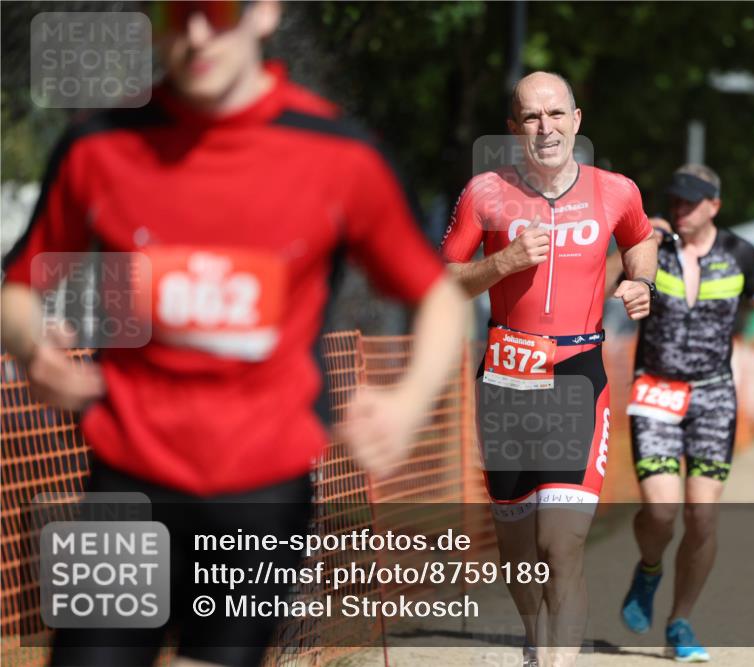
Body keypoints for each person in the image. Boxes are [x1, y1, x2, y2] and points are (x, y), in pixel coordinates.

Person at [0, 2, 466, 666]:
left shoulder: (340, 155)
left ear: (264, 13)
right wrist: (32, 347)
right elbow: (19, 288)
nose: (196, 34)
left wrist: (408, 402)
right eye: (176, 12)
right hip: (126, 479)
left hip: (261, 491)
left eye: (217, 10)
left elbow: (439, 297)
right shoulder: (99, 146)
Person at [440, 71, 657, 667]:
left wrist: (642, 282)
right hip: (505, 382)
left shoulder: (615, 191)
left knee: (559, 547)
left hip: (575, 377)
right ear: (513, 129)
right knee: (518, 555)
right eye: (532, 117)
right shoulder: (485, 193)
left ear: (576, 120)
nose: (546, 128)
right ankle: (537, 643)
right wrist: (503, 261)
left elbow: (641, 239)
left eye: (556, 114)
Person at [616, 164, 754, 663]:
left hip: (713, 396)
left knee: (702, 515)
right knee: (660, 511)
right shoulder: (653, 247)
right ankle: (649, 569)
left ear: (714, 205)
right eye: (675, 199)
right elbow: (604, 280)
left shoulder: (741, 254)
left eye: (691, 201)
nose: (680, 208)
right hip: (655, 390)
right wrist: (639, 241)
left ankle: (680, 621)